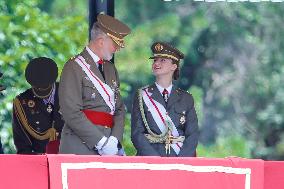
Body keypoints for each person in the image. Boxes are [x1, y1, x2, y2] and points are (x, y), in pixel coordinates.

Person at [58, 14, 131, 155]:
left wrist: (114, 140)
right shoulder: (73, 66)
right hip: (80, 146)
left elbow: (119, 110)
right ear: (101, 41)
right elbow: (71, 112)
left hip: (110, 146)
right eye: (114, 44)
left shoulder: (111, 69)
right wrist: (101, 142)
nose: (116, 49)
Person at [131, 42, 199, 157]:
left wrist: (181, 162)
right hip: (151, 160)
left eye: (162, 60)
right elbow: (137, 134)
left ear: (174, 66)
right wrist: (155, 160)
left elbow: (192, 135)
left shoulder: (186, 98)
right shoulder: (142, 95)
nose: (156, 63)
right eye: (155, 60)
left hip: (179, 159)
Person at [12, 57, 64, 154]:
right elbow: (22, 143)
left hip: (69, 155)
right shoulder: (22, 102)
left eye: (45, 86)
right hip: (39, 158)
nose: (41, 89)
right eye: (38, 86)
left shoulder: (68, 91)